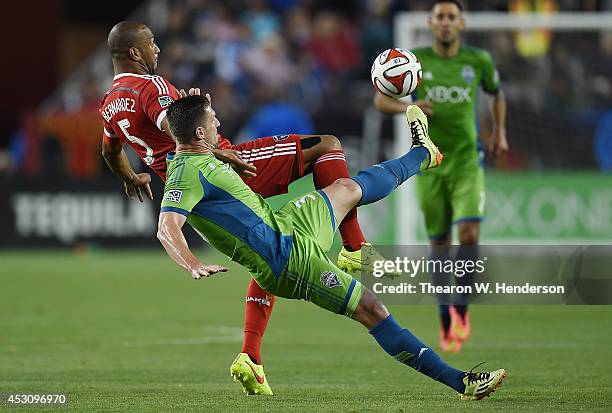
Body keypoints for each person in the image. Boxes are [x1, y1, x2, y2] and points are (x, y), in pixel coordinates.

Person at [99, 21, 389, 396]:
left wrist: (130, 177)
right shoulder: (150, 86)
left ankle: (250, 356)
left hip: (194, 194)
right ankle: (353, 249)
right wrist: (223, 154)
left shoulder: (108, 102)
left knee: (270, 255)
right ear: (135, 52)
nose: (157, 49)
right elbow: (180, 129)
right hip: (221, 171)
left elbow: (110, 150)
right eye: (152, 43)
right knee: (326, 145)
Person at [157, 94, 506, 400]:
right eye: (212, 118)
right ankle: (462, 382)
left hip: (290, 225)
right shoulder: (186, 174)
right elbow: (167, 227)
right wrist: (191, 263)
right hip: (290, 261)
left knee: (346, 187)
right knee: (373, 310)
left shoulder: (200, 156)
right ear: (200, 132)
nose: (218, 120)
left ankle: (423, 153)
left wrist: (221, 153)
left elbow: (198, 151)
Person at [373, 0, 509, 352]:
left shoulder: (478, 61)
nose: (446, 23)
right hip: (429, 163)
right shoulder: (413, 62)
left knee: (469, 232)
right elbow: (380, 101)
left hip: (467, 161)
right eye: (440, 17)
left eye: (451, 17)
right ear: (431, 23)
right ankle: (444, 316)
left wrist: (499, 132)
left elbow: (497, 95)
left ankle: (461, 310)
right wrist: (409, 106)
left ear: (460, 23)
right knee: (438, 243)